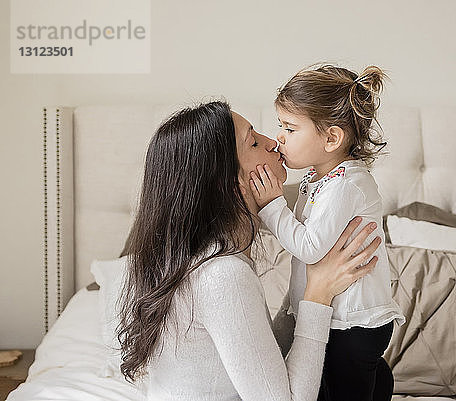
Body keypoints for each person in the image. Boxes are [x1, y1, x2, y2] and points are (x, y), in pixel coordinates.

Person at [116, 100, 382, 401]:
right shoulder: (221, 274)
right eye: (254, 142)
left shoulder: (205, 257)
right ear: (226, 183)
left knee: (376, 376)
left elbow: (262, 359)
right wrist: (318, 294)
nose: (274, 142)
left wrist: (308, 288)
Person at [248, 64, 405, 401]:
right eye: (281, 126)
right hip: (336, 319)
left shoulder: (348, 184)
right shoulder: (321, 179)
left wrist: (272, 205)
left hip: (354, 324)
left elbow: (309, 248)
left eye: (290, 128)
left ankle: (375, 379)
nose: (279, 137)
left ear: (332, 138)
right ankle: (378, 380)